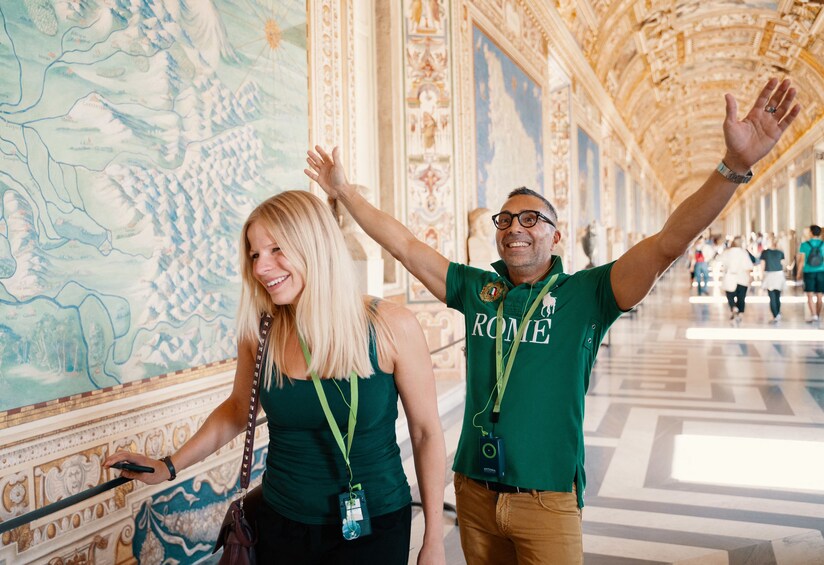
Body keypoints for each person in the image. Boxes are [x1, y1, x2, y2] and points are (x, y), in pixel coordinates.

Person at [304, 78, 799, 564]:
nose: (514, 227)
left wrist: (733, 168)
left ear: (556, 236)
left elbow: (669, 241)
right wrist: (344, 191)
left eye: (530, 219)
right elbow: (405, 245)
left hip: (547, 499)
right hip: (474, 491)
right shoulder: (478, 290)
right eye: (505, 220)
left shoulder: (588, 295)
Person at [104, 191, 447, 565]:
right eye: (254, 254)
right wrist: (168, 466)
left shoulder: (390, 327)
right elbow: (238, 409)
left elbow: (426, 433)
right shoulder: (260, 331)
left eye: (276, 250)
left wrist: (434, 539)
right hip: (281, 524)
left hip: (374, 526)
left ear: (314, 246)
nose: (261, 268)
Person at [719, 236, 754, 324]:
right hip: (742, 277)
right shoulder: (743, 253)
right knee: (741, 297)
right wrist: (750, 277)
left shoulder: (727, 252)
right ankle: (740, 314)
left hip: (730, 276)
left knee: (729, 295)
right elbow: (748, 267)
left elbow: (722, 263)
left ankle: (733, 307)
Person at [796, 224, 824, 324]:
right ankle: (818, 314)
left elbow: (801, 261)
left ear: (811, 233)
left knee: (810, 294)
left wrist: (798, 273)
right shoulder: (823, 244)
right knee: (820, 295)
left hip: (809, 272)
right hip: (821, 271)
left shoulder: (804, 245)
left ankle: (814, 316)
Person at [759, 236, 786, 323]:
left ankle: (775, 315)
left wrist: (761, 276)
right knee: (778, 296)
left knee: (772, 297)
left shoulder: (765, 252)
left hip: (769, 275)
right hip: (779, 275)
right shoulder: (780, 252)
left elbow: (762, 265)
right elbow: (783, 264)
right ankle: (778, 313)